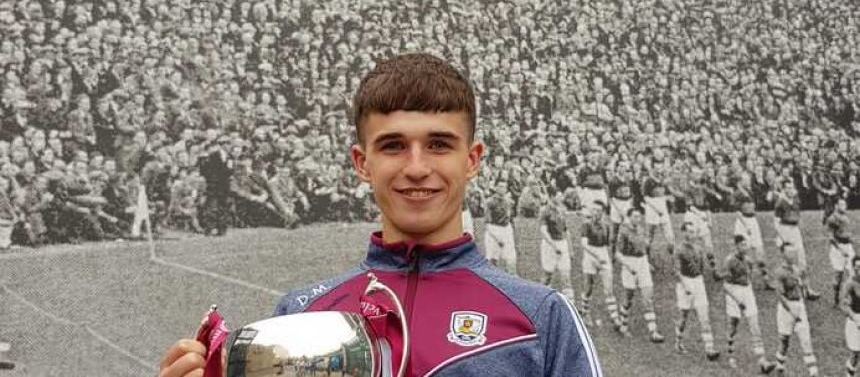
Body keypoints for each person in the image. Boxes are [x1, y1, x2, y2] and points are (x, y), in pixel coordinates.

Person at [158, 53, 602, 377]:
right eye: (393, 145)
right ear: (361, 162)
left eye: (439, 144)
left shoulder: (541, 318)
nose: (416, 167)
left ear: (472, 159)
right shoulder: (300, 315)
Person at [722, 234, 776, 373]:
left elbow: (748, 278)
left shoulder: (748, 261)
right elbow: (726, 286)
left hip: (747, 291)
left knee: (755, 326)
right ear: (736, 246)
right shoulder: (729, 261)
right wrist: (738, 300)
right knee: (733, 326)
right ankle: (731, 355)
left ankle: (763, 361)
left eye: (746, 245)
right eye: (742, 245)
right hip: (734, 293)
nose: (745, 248)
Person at [615, 207, 664, 343]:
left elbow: (643, 247)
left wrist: (646, 262)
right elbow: (617, 253)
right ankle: (623, 324)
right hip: (629, 263)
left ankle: (653, 331)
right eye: (635, 216)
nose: (638, 219)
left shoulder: (642, 229)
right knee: (628, 297)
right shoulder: (623, 231)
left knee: (647, 297)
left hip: (642, 263)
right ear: (629, 217)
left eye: (639, 216)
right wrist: (628, 265)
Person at [673, 222, 719, 361]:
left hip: (698, 282)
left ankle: (709, 349)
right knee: (683, 316)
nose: (692, 235)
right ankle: (678, 341)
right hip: (685, 283)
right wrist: (686, 286)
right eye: (689, 232)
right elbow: (676, 271)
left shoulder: (699, 248)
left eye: (694, 232)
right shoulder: (679, 250)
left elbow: (702, 267)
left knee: (704, 317)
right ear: (684, 233)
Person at [773, 242, 820, 377]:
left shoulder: (797, 270)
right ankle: (780, 368)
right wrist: (790, 310)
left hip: (799, 306)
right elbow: (780, 296)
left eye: (794, 252)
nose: (792, 255)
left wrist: (805, 284)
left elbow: (802, 290)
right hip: (785, 309)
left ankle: (813, 373)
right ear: (783, 254)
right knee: (784, 340)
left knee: (806, 340)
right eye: (789, 252)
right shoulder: (779, 272)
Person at [774, 179, 820, 300]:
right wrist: (784, 238)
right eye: (787, 188)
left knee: (802, 261)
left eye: (791, 187)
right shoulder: (780, 202)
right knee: (790, 263)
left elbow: (797, 215)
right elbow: (776, 222)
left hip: (795, 231)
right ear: (783, 189)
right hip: (785, 230)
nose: (790, 190)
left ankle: (807, 289)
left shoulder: (795, 199)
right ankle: (790, 290)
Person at [579, 202, 621, 330]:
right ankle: (584, 313)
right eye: (594, 210)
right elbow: (584, 244)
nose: (596, 213)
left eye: (599, 211)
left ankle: (615, 319)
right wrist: (597, 257)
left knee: (609, 288)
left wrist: (607, 258)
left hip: (602, 253)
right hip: (591, 255)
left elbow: (607, 245)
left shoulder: (606, 226)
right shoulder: (586, 225)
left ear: (602, 212)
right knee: (588, 287)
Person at [539, 187, 574, 302]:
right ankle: (541, 300)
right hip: (550, 246)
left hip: (562, 244)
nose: (561, 197)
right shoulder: (545, 211)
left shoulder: (561, 210)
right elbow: (543, 231)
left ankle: (570, 305)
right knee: (548, 274)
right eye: (559, 195)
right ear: (552, 196)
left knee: (566, 275)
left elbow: (566, 230)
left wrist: (570, 248)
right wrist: (554, 246)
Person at [828, 197, 855, 307]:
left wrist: (849, 240)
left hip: (848, 246)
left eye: (845, 204)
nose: (844, 206)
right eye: (841, 204)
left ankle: (852, 299)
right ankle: (836, 300)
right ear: (836, 206)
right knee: (839, 274)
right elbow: (831, 237)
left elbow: (844, 231)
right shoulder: (832, 219)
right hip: (838, 249)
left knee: (853, 272)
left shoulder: (845, 216)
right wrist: (840, 249)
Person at [841, 256, 860, 377]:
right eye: (858, 267)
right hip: (855, 322)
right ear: (854, 268)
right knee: (855, 353)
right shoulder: (850, 283)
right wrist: (854, 317)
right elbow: (844, 305)